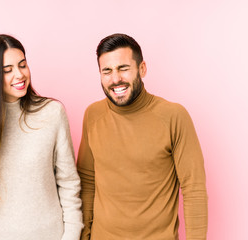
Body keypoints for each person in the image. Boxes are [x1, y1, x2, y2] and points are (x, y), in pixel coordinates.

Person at [77, 33, 208, 240]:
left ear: (142, 69)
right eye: (107, 71)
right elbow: (87, 182)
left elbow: (194, 189)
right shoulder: (92, 115)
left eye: (123, 68)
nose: (115, 79)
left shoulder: (173, 116)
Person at [0, 34, 83, 240]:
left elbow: (69, 182)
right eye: (7, 70)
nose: (19, 74)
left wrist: (71, 236)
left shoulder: (52, 113)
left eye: (22, 65)